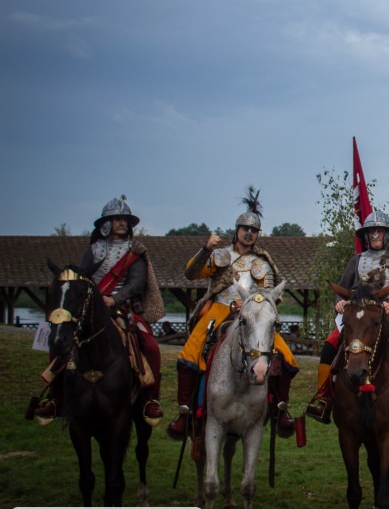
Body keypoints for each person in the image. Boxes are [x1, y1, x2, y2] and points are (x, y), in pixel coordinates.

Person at [167, 188, 299, 440]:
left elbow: (270, 296)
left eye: (254, 230)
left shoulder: (263, 262)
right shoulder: (220, 254)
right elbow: (191, 274)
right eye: (244, 229)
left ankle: (281, 409)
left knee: (287, 356)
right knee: (191, 351)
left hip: (253, 315)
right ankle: (184, 413)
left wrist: (251, 306)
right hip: (219, 310)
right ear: (236, 230)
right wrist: (205, 249)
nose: (249, 234)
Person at [34, 196, 165, 424]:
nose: (123, 222)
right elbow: (85, 278)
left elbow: (136, 284)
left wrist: (114, 300)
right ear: (107, 223)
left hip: (124, 310)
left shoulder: (136, 252)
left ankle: (149, 398)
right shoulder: (93, 250)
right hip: (92, 309)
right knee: (61, 341)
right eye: (118, 219)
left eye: (125, 219)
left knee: (151, 347)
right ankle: (56, 396)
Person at [304, 211, 389, 426]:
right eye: (371, 231)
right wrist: (339, 301)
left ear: (388, 234)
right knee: (329, 346)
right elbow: (342, 287)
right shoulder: (356, 261)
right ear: (365, 235)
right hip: (358, 316)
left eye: (379, 230)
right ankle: (323, 398)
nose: (374, 234)